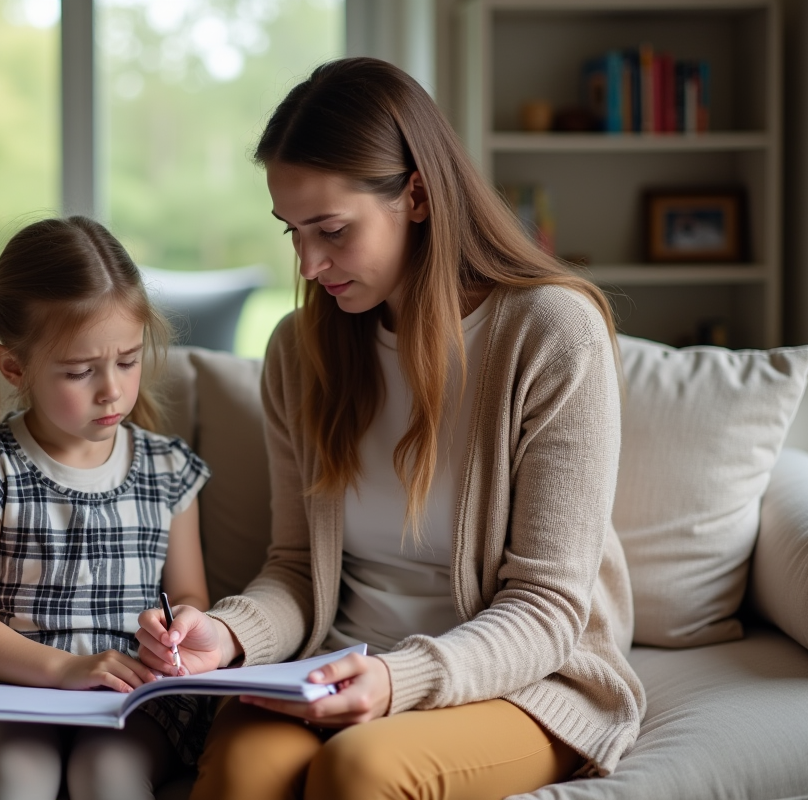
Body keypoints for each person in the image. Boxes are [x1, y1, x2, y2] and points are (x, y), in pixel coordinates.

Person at [135, 57, 646, 800]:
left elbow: (548, 610)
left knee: (359, 770)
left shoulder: (550, 334)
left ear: (415, 195)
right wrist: (230, 635)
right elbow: (296, 568)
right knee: (242, 773)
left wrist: (396, 680)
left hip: (524, 680)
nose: (309, 264)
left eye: (332, 230)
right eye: (293, 232)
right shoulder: (300, 352)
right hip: (334, 665)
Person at [0, 216, 214, 800]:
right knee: (18, 775)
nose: (111, 389)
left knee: (109, 775)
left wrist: (176, 630)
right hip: (10, 685)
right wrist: (64, 670)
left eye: (128, 360)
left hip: (127, 690)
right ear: (13, 367)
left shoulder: (168, 469)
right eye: (81, 371)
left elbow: (191, 598)